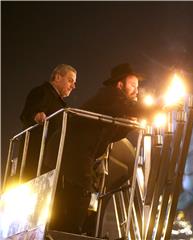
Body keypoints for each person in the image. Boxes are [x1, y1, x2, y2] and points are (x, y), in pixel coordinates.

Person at [45, 63, 158, 234]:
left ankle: (69, 231)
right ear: (120, 85)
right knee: (79, 194)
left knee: (75, 196)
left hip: (74, 153)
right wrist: (161, 106)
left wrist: (132, 124)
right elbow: (131, 108)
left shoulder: (111, 105)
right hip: (72, 151)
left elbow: (111, 134)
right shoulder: (110, 95)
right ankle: (70, 234)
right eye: (133, 85)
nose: (137, 91)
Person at [19, 64, 77, 182]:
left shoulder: (61, 104)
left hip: (50, 161)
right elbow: (26, 114)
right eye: (70, 81)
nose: (73, 86)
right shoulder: (41, 92)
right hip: (36, 160)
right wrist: (36, 115)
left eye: (74, 82)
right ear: (58, 77)